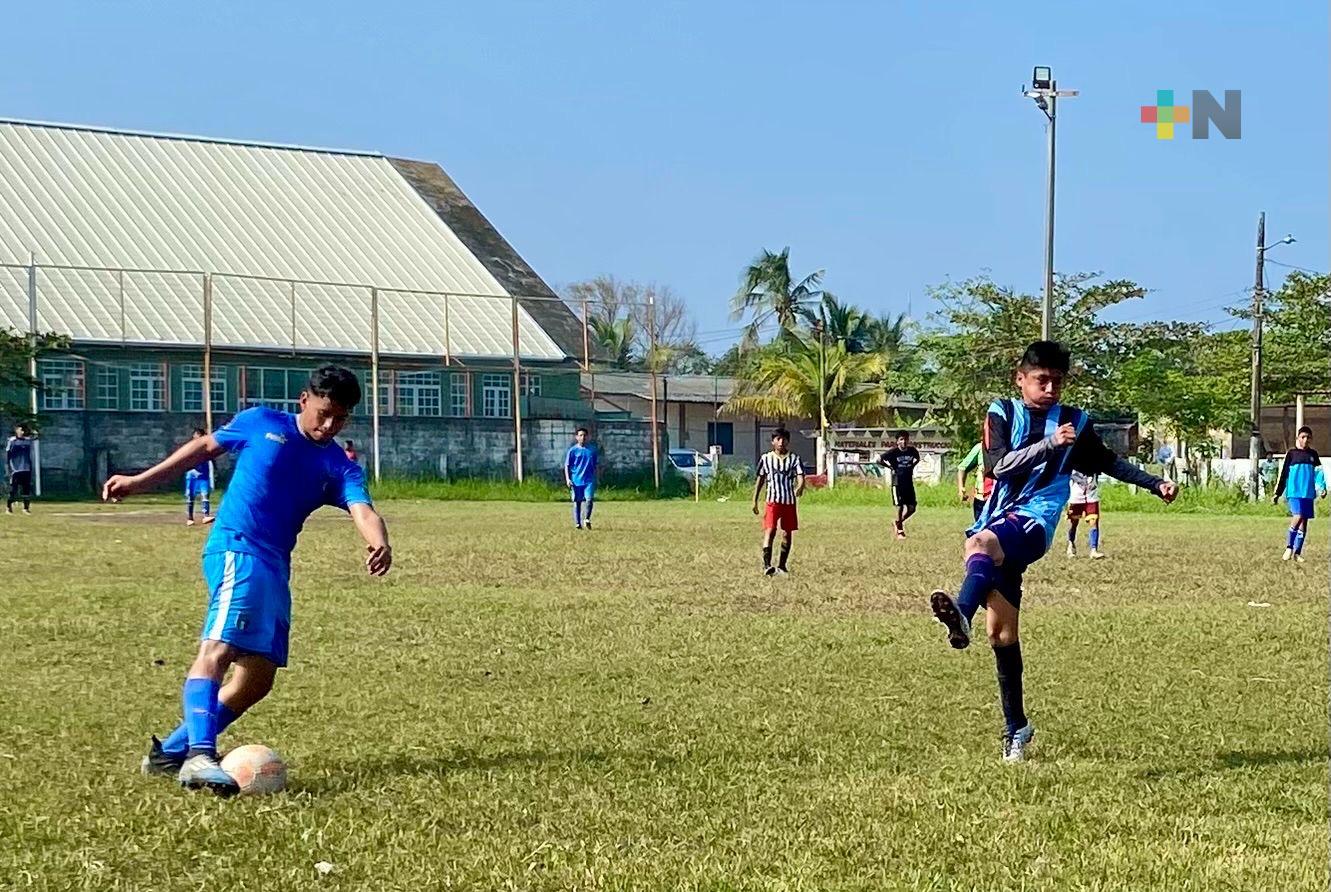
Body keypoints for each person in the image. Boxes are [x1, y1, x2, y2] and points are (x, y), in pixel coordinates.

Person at [103, 365, 392, 796]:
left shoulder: (337, 464)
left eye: (341, 418)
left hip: (274, 565)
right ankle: (200, 754)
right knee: (218, 649)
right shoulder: (261, 422)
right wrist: (140, 481)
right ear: (304, 401)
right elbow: (203, 448)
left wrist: (379, 542)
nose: (329, 425)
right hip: (238, 549)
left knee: (258, 678)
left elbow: (362, 509)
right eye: (324, 413)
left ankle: (170, 753)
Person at [928, 341, 1177, 763]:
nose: (1050, 388)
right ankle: (1017, 730)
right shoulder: (1001, 413)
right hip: (999, 513)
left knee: (980, 544)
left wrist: (1154, 483)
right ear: (1020, 379)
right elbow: (997, 467)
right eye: (1041, 379)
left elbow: (1106, 461)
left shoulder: (1074, 422)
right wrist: (1050, 445)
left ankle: (961, 613)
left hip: (1036, 519)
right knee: (1001, 634)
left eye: (1057, 381)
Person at [752, 428, 804, 575]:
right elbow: (760, 480)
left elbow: (800, 475)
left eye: (784, 439)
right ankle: (767, 565)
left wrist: (800, 486)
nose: (781, 442)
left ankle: (782, 565)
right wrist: (754, 500)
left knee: (787, 533)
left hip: (789, 501)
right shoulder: (766, 459)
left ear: (788, 441)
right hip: (773, 501)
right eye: (778, 439)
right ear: (773, 441)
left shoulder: (794, 459)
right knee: (771, 530)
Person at [1273, 426, 1326, 563]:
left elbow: (1318, 473)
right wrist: (1278, 493)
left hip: (1308, 493)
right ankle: (1289, 547)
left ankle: (1297, 553)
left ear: (1311, 439)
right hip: (1295, 492)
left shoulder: (1313, 455)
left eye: (1308, 437)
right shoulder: (1291, 454)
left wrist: (1322, 488)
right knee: (1299, 515)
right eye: (1303, 437)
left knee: (1304, 522)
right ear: (1298, 438)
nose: (1305, 440)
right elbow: (1284, 474)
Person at [878, 431, 921, 539]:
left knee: (912, 508)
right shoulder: (893, 452)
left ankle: (898, 521)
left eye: (906, 439)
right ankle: (900, 530)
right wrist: (890, 467)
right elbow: (879, 460)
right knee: (900, 506)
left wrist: (912, 466)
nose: (904, 441)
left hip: (908, 483)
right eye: (901, 439)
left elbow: (918, 459)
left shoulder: (912, 451)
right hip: (897, 483)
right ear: (897, 441)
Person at [565, 427, 599, 530]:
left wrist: (597, 477)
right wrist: (568, 479)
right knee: (577, 502)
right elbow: (567, 465)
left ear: (588, 437)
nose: (582, 437)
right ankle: (577, 523)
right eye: (580, 435)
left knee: (589, 499)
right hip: (576, 481)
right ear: (576, 437)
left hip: (589, 480)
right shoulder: (572, 451)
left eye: (584, 435)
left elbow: (596, 465)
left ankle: (587, 519)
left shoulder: (592, 450)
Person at [1065, 470, 1104, 559]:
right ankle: (1070, 544)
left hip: (1091, 494)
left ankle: (1093, 550)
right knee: (1073, 523)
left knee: (1093, 521)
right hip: (1076, 495)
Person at [184, 428, 215, 527]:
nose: (196, 437)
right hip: (192, 475)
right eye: (195, 435)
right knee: (190, 496)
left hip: (203, 475)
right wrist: (192, 469)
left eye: (199, 435)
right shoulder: (190, 447)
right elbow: (185, 460)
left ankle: (206, 516)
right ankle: (190, 518)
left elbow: (212, 459)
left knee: (205, 495)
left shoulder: (207, 448)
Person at [956, 441, 993, 522]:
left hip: (1001, 498)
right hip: (982, 499)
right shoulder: (980, 448)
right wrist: (961, 488)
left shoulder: (1008, 447)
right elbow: (962, 468)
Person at [6, 424, 35, 515]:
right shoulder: (12, 441)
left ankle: (26, 508)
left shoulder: (28, 441)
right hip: (15, 469)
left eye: (23, 430)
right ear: (16, 431)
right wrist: (8, 468)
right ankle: (9, 507)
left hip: (26, 469)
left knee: (26, 489)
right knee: (13, 490)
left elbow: (31, 453)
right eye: (20, 430)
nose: (22, 432)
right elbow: (8, 455)